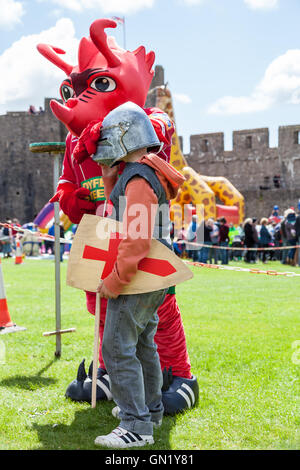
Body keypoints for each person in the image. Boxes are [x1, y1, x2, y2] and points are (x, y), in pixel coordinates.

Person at [93, 103, 185, 448]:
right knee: (143, 343)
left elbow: (136, 237)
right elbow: (119, 206)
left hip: (139, 275)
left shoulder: (139, 176)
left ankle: (136, 425)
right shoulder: (144, 171)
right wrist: (107, 172)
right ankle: (150, 409)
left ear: (123, 136)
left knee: (117, 347)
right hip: (153, 275)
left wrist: (115, 280)